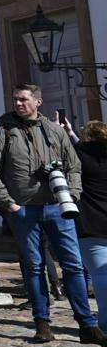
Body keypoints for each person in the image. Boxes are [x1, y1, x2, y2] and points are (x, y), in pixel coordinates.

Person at [0, 85, 102, 345]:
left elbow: (74, 166)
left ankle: (87, 324)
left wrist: (72, 195)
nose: (18, 104)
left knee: (72, 266)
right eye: (15, 99)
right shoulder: (1, 131)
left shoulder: (54, 130)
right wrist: (8, 203)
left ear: (38, 101)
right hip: (23, 209)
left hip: (57, 207)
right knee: (34, 267)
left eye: (23, 99)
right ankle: (42, 323)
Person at [70, 119, 107, 330]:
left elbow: (73, 152)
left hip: (92, 222)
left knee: (101, 276)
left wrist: (68, 134)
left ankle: (105, 322)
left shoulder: (81, 156)